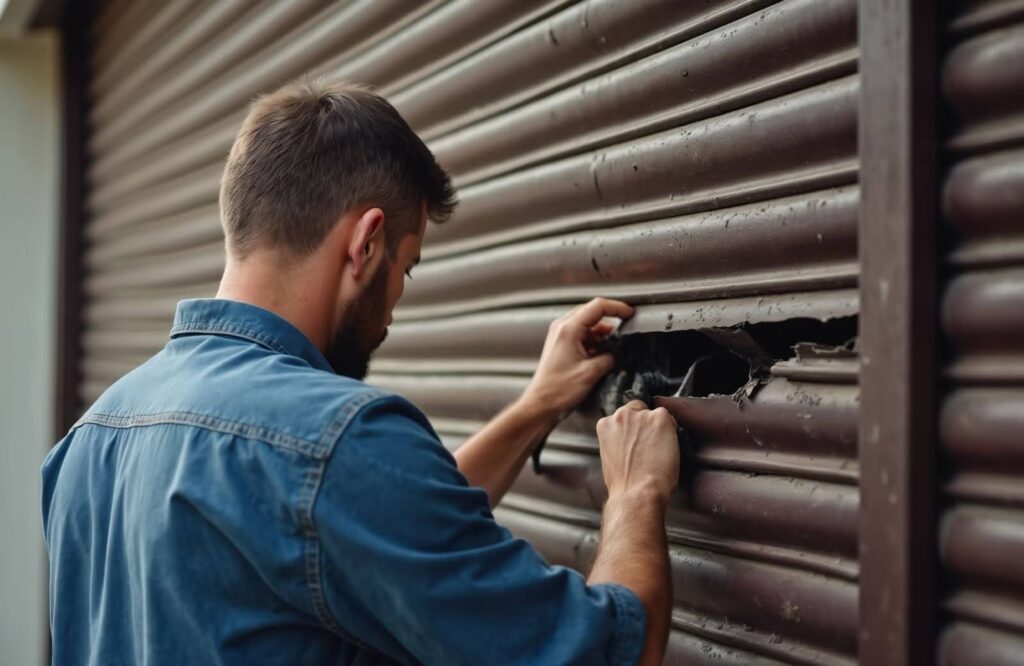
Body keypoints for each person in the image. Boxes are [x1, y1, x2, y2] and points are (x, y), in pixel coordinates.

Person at [42, 81, 680, 665]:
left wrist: (535, 407)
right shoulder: (333, 442)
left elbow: (354, 531)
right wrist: (634, 494)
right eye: (406, 269)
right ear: (366, 242)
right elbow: (609, 654)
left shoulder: (89, 441)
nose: (393, 313)